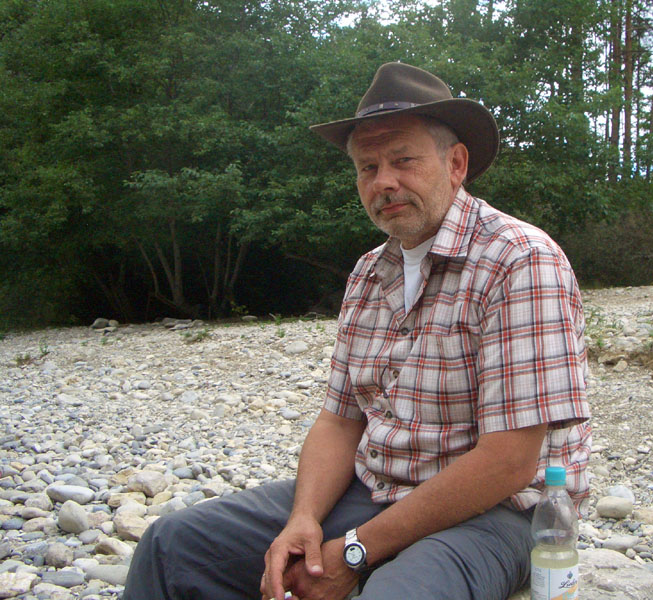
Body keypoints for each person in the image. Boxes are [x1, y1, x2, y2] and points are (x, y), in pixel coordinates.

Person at [122, 62, 591, 600]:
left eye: (403, 160)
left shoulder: (520, 260)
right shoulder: (369, 272)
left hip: (498, 514)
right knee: (171, 545)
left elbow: (508, 462)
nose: (383, 181)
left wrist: (355, 550)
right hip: (374, 490)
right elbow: (340, 420)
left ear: (456, 163)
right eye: (368, 167)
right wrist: (304, 520)